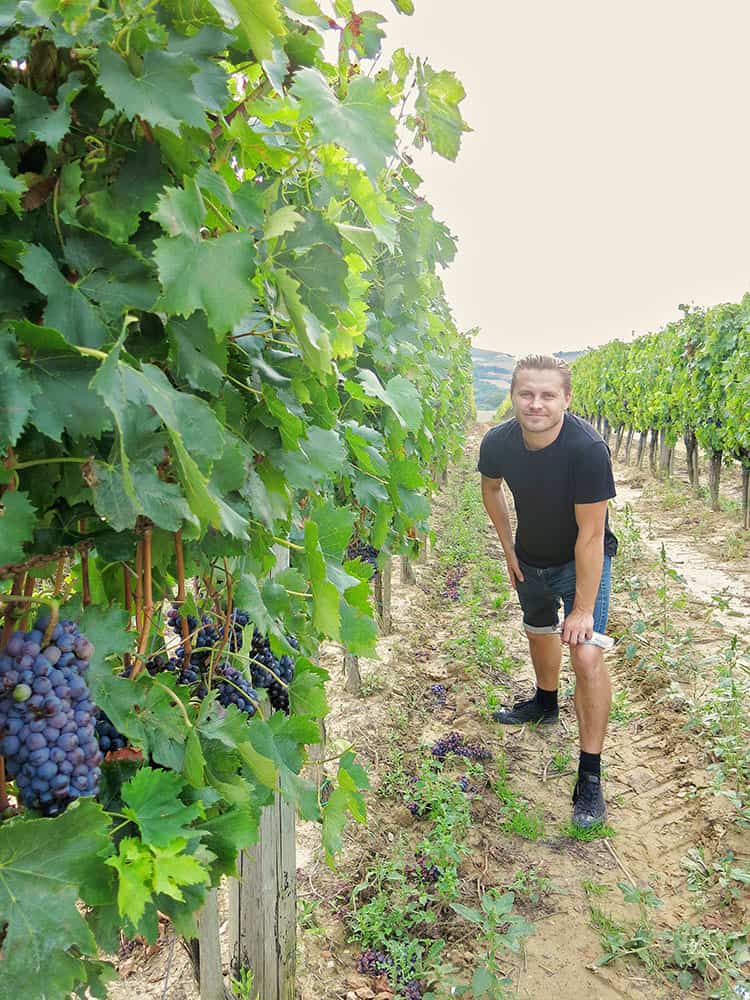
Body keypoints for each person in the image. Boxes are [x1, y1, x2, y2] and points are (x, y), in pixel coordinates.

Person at [478, 354, 617, 828]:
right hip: (529, 557)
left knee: (585, 654)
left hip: (580, 560)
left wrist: (581, 608)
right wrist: (507, 547)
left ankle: (591, 776)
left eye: (547, 395)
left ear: (566, 399)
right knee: (538, 630)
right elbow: (491, 488)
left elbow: (592, 535)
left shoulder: (587, 449)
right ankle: (543, 703)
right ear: (513, 395)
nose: (536, 404)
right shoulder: (499, 441)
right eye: (526, 394)